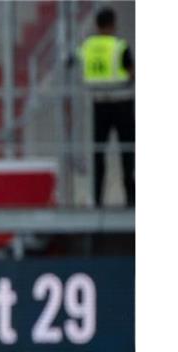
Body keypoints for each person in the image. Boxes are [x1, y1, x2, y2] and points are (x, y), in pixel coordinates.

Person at [77, 7, 135, 207]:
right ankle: (131, 199)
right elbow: (131, 72)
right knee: (127, 153)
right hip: (121, 102)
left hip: (97, 104)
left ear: (96, 25)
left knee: (98, 154)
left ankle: (97, 199)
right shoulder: (119, 46)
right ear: (113, 24)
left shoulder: (86, 47)